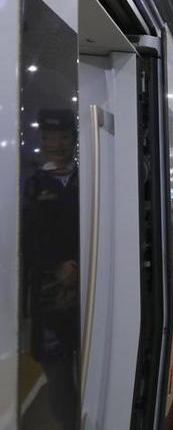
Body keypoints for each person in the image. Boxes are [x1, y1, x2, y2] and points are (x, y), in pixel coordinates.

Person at [21, 109, 80, 429]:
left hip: (88, 291)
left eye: (63, 136)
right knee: (57, 376)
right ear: (41, 140)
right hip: (49, 299)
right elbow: (23, 240)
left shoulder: (88, 180)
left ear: (73, 139)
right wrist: (55, 266)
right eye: (49, 137)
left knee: (90, 364)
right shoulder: (31, 186)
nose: (56, 143)